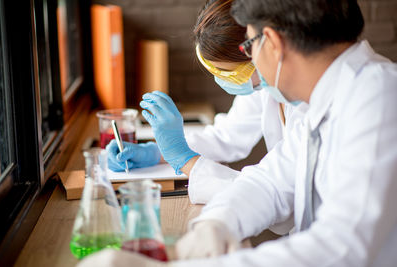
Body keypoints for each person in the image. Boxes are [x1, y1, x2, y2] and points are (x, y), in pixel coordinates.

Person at [79, 0, 397, 266]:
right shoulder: (326, 101)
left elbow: (343, 249)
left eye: (249, 44)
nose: (251, 58)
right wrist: (215, 223)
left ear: (271, 43)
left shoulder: (378, 95)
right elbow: (269, 183)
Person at [107, 0, 306, 207]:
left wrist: (184, 160)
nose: (224, 81)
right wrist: (158, 152)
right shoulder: (265, 87)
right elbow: (226, 137)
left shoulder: (306, 102)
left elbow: (275, 193)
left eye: (233, 75)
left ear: (264, 48)